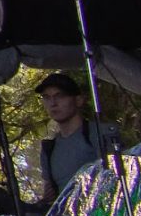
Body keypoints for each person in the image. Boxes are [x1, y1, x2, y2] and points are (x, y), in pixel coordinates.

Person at [37, 72, 120, 200]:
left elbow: (116, 179)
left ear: (78, 100)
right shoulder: (49, 149)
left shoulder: (100, 133)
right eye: (46, 97)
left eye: (60, 96)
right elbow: (51, 196)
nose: (53, 103)